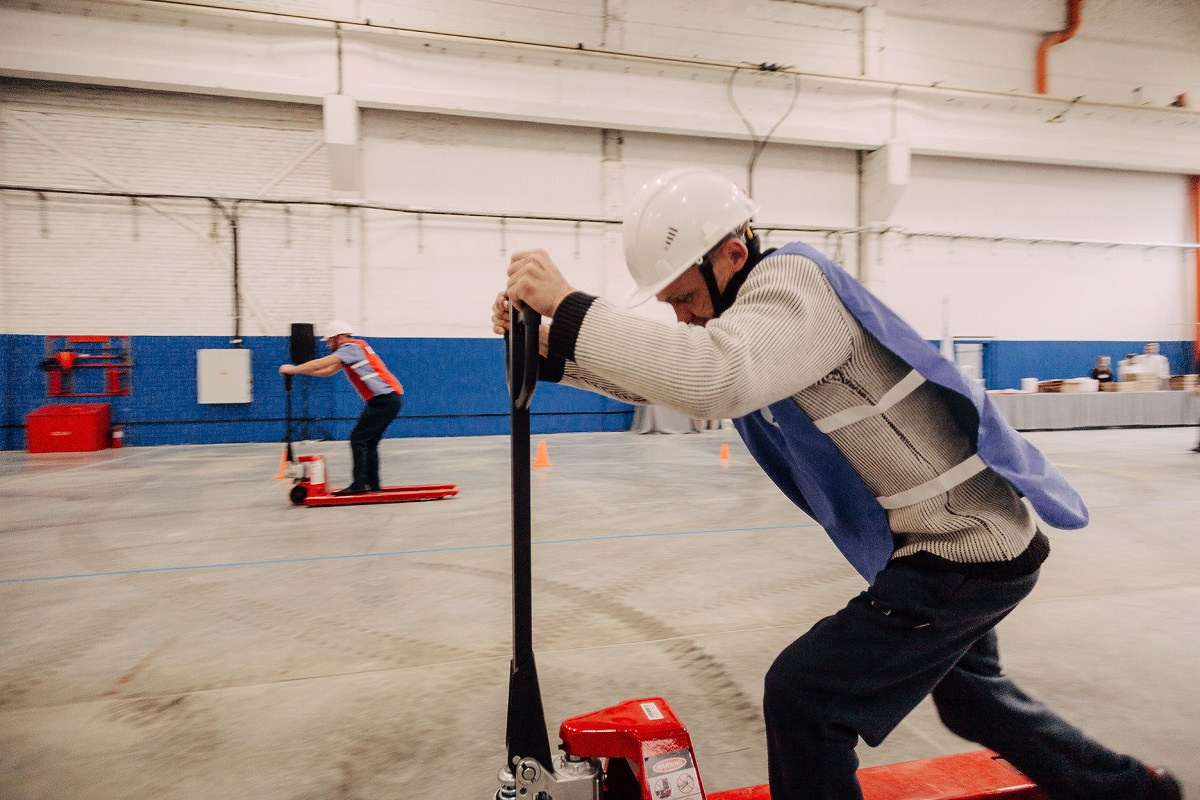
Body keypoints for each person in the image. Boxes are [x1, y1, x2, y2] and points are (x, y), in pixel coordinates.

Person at [492, 167, 1182, 800]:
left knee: (805, 697)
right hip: (958, 541)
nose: (682, 315)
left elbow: (715, 377)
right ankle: (1129, 792)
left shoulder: (793, 288)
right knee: (973, 700)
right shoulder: (756, 320)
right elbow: (704, 392)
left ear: (733, 252)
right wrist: (556, 353)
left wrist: (573, 307)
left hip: (967, 548)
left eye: (687, 297)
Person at [279, 320, 403, 495]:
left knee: (358, 439)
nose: (329, 345)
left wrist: (292, 369)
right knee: (369, 442)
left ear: (340, 337)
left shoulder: (350, 348)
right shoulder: (353, 350)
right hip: (387, 400)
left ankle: (359, 485)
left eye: (330, 341)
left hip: (384, 400)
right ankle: (373, 485)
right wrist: (298, 371)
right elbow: (327, 371)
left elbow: (321, 363)